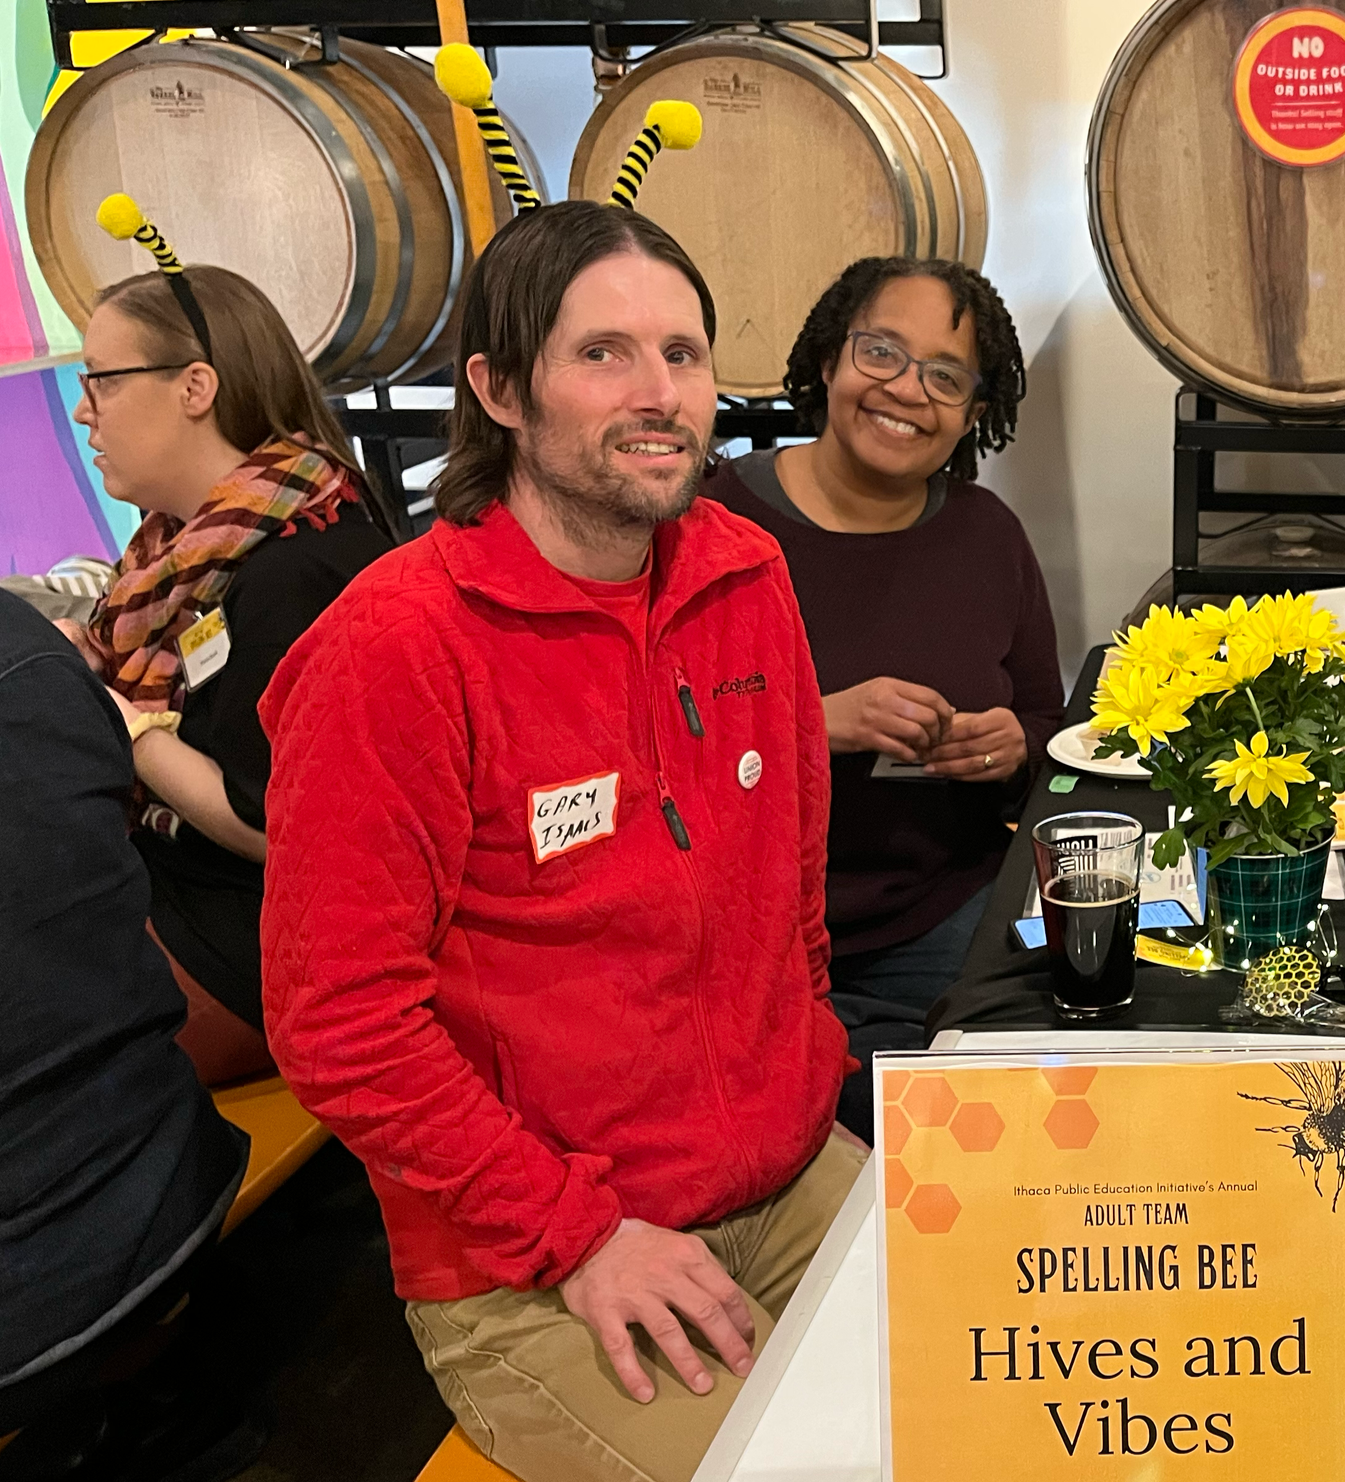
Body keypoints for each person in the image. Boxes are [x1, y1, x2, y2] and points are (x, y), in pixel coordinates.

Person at [257, 186, 856, 1480]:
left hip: (790, 1164)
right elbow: (338, 1021)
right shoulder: (395, 648)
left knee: (1020, 1396)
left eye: (682, 353)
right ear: (502, 390)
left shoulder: (747, 574)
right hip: (537, 1254)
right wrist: (580, 1235)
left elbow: (790, 874)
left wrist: (803, 1058)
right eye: (604, 353)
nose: (662, 393)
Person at [704, 256, 1059, 1096]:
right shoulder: (711, 526)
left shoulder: (987, 536)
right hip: (741, 941)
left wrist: (1012, 748)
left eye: (944, 375)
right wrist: (814, 723)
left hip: (940, 917)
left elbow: (1049, 721)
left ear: (975, 411)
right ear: (829, 358)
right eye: (881, 352)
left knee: (1039, 1096)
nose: (906, 390)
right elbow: (634, 743)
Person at [57, 236, 393, 1087]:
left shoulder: (299, 566)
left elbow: (277, 828)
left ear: (195, 387)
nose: (82, 410)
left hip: (253, 951)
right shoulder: (179, 553)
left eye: (102, 379)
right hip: (177, 892)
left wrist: (123, 722)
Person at [0, 589, 247, 1436]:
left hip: (52, 1288)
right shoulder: (30, 640)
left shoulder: (278, 574)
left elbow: (266, 822)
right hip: (178, 1176)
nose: (93, 442)